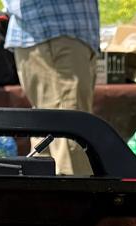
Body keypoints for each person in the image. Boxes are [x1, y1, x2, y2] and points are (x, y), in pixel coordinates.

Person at [6, 0, 102, 176]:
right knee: (69, 127)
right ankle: (74, 200)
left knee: (56, 126)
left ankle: (53, 199)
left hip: (66, 34)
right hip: (52, 33)